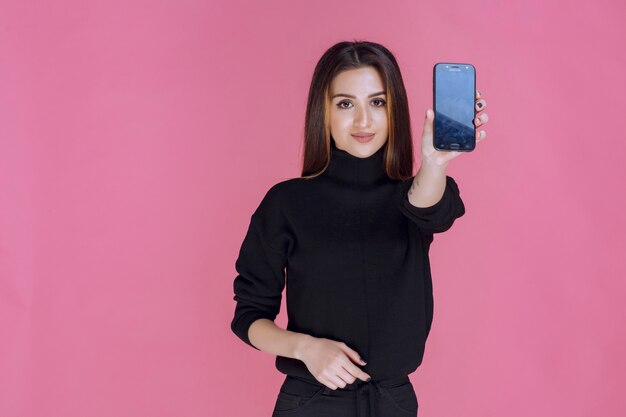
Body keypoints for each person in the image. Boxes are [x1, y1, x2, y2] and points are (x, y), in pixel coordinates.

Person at [230, 40, 489, 417]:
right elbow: (249, 316)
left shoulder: (413, 196)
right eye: (346, 103)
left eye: (378, 102)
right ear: (325, 112)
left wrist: (435, 162)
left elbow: (430, 208)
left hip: (393, 403)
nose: (364, 121)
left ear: (394, 110)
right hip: (310, 401)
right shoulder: (286, 202)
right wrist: (306, 348)